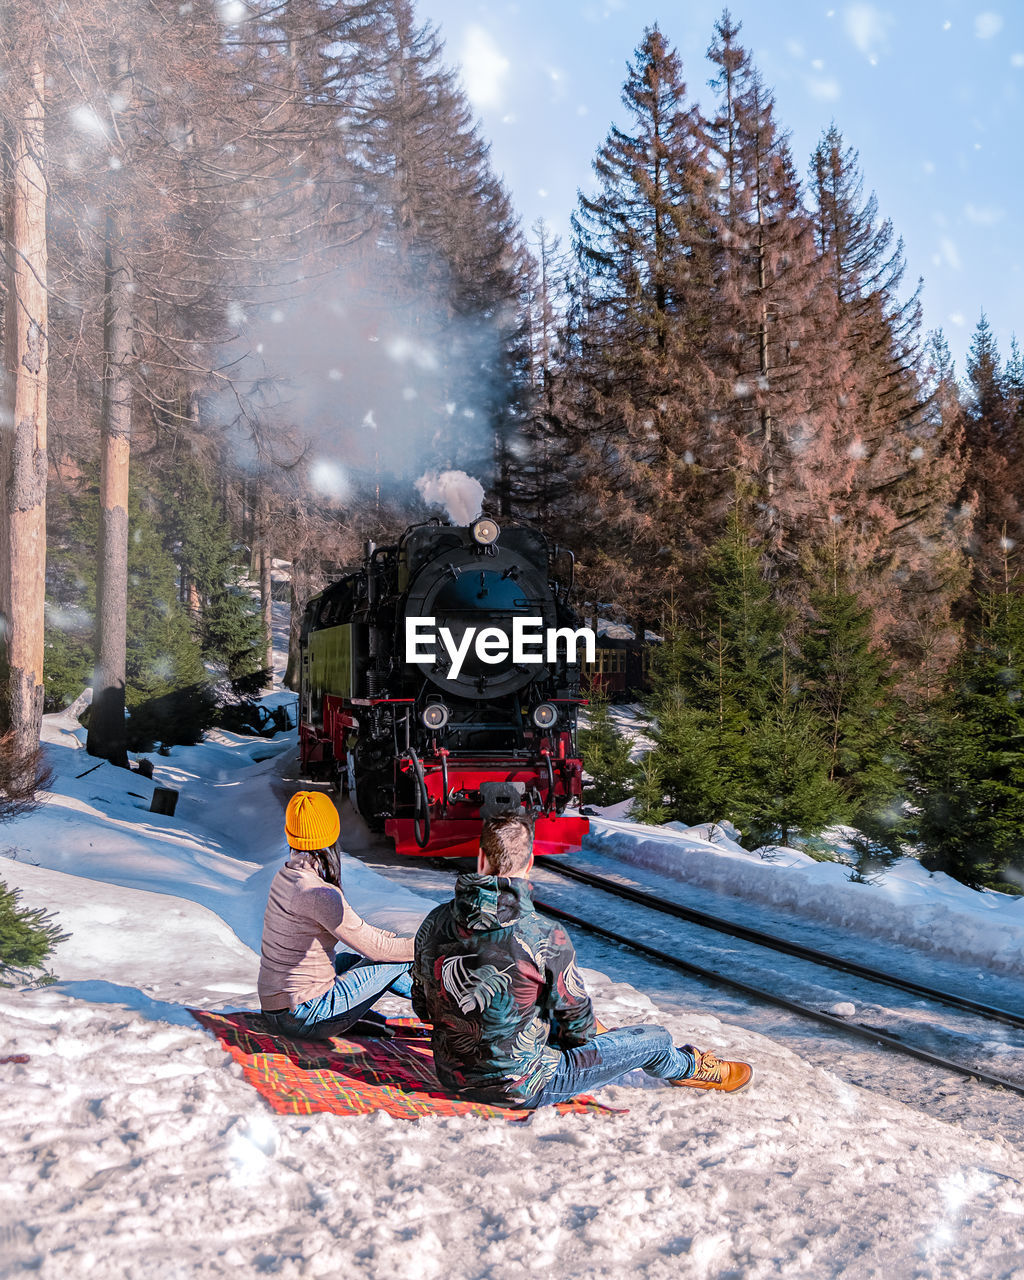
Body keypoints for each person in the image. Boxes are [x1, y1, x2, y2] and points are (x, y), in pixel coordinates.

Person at [412, 813, 752, 1108]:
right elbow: (579, 1033)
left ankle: (679, 1063)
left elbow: (424, 1009)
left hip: (452, 1076)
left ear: (481, 859)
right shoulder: (545, 934)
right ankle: (689, 1068)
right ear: (529, 865)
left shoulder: (433, 922)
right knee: (654, 1039)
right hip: (524, 1087)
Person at [258, 790, 415, 1040]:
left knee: (350, 960)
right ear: (331, 835)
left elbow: (362, 934)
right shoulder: (319, 893)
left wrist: (393, 938)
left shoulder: (287, 876)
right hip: (305, 1015)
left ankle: (435, 999)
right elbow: (378, 951)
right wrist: (424, 945)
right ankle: (448, 1006)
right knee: (401, 955)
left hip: (276, 1008)